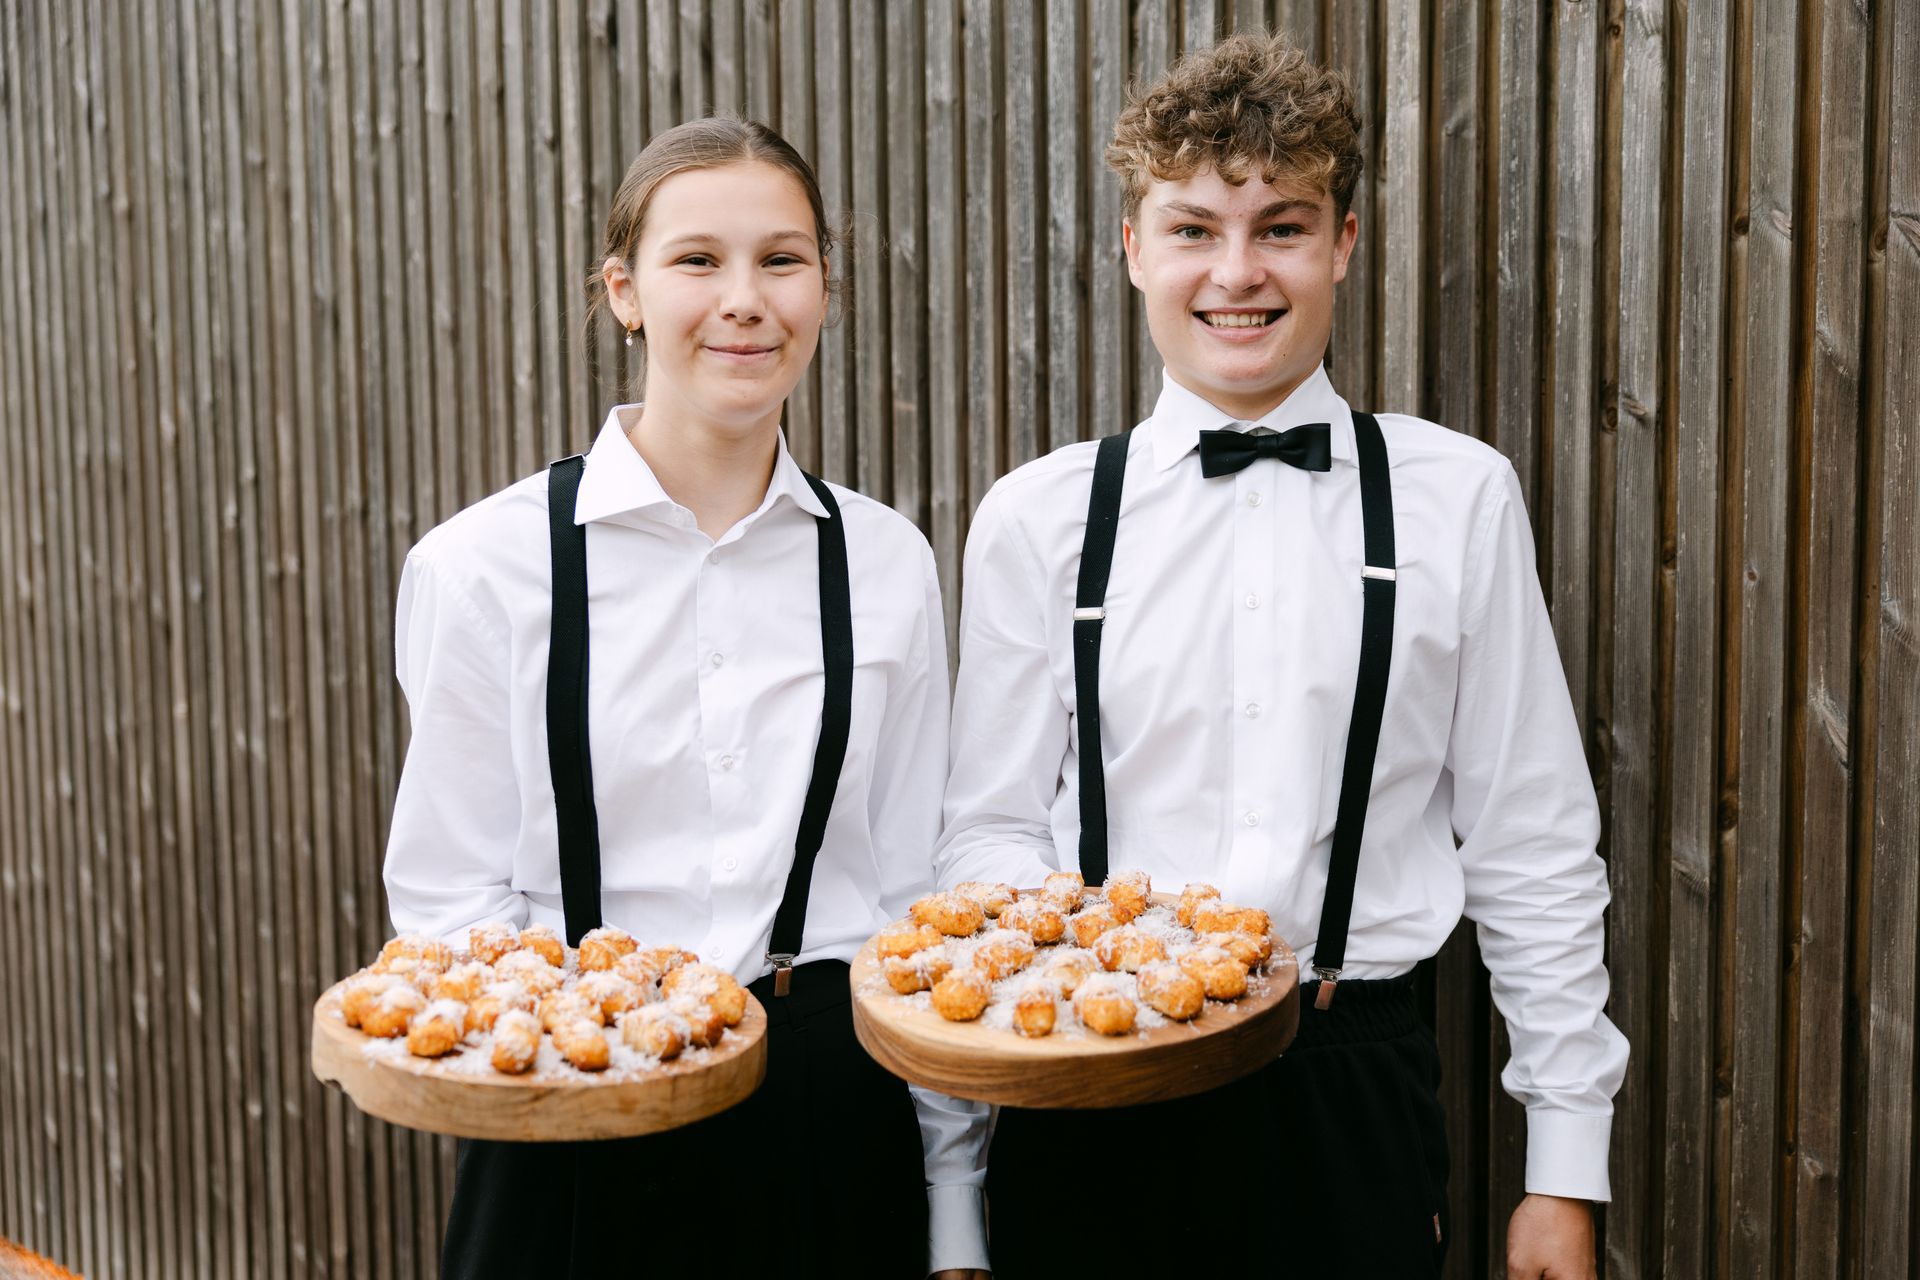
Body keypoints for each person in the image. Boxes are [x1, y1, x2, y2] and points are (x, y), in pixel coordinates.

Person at [936, 34, 1626, 1279]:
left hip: (1349, 1094)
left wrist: (1564, 1166)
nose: (1238, 272)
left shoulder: (1456, 497)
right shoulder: (1036, 517)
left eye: (1282, 227)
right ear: (1136, 248)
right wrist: (962, 1187)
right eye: (1194, 228)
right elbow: (983, 834)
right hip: (1095, 1099)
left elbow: (1531, 840)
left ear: (1344, 244)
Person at [383, 115, 989, 1279]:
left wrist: (952, 1197)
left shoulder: (886, 560)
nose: (745, 298)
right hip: (572, 1118)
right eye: (697, 258)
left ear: (825, 286)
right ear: (624, 291)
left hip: (828, 1120)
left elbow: (917, 903)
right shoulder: (481, 566)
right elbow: (448, 895)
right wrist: (573, 1068)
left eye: (783, 258)